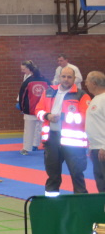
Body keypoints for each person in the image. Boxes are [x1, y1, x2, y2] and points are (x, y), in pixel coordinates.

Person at [36, 66, 90, 195]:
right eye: (64, 76)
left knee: (77, 174)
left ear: (74, 79)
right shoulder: (49, 92)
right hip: (52, 139)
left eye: (69, 77)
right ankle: (51, 202)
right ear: (59, 77)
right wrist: (47, 116)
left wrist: (63, 117)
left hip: (73, 143)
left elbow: (85, 117)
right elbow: (38, 110)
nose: (66, 79)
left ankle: (81, 202)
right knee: (52, 175)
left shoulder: (81, 95)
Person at [16, 60, 47, 155]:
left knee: (29, 130)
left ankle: (27, 148)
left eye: (24, 69)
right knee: (42, 129)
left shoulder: (28, 82)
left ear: (30, 70)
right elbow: (51, 94)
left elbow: (22, 95)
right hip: (42, 110)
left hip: (30, 109)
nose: (22, 71)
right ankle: (39, 145)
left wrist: (22, 107)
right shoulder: (46, 81)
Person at [85, 71, 105, 194]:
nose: (85, 83)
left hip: (102, 148)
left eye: (87, 81)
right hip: (96, 147)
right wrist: (92, 146)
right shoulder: (96, 99)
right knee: (100, 182)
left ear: (94, 83)